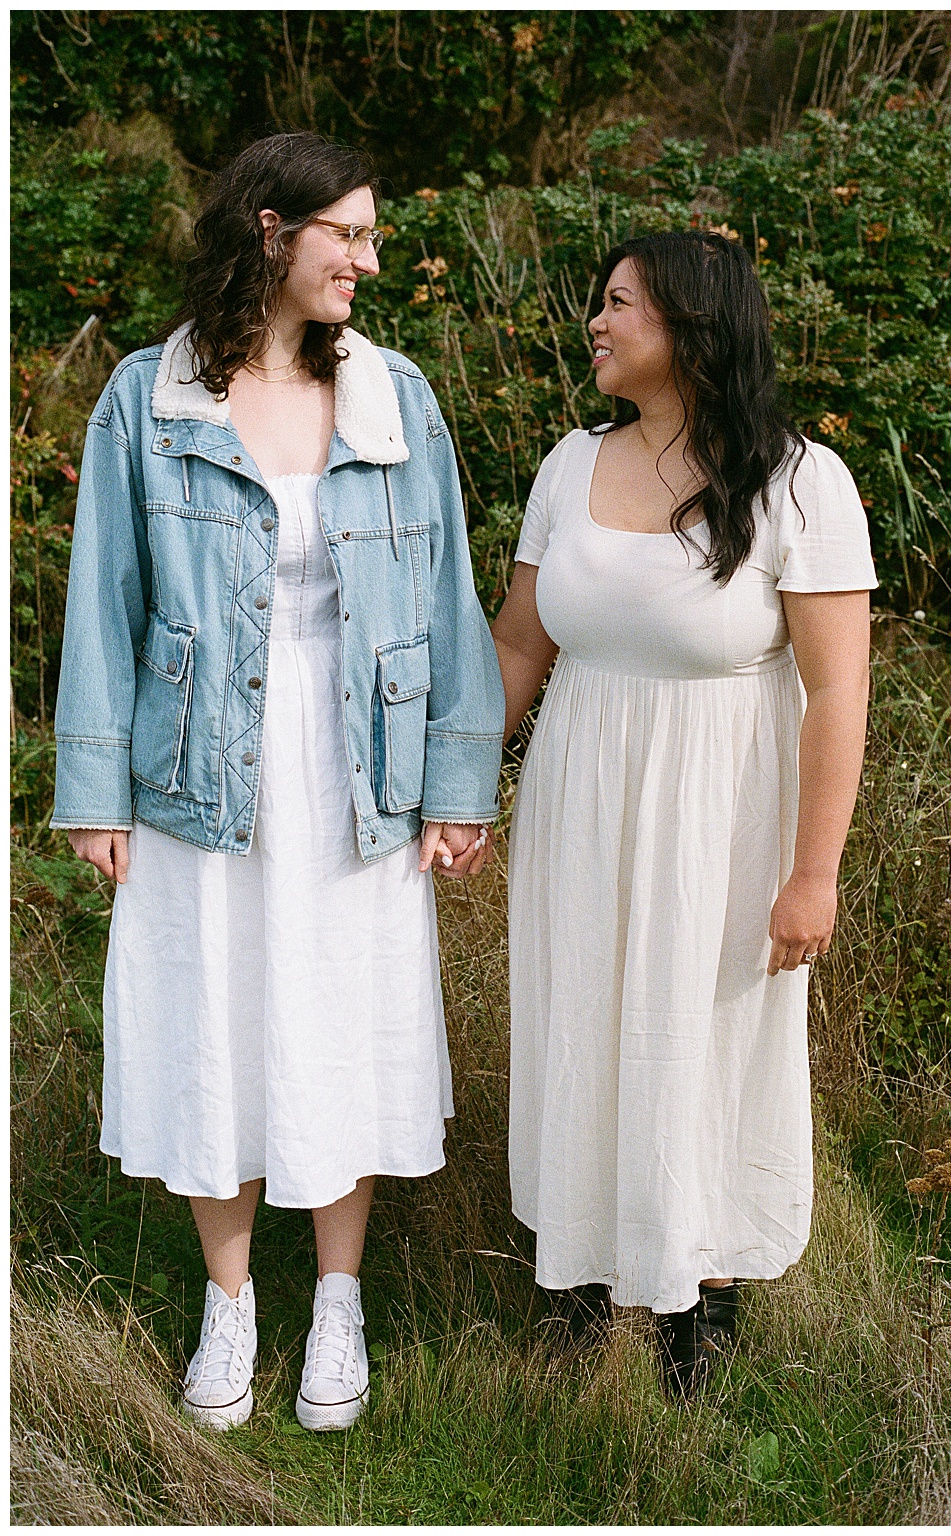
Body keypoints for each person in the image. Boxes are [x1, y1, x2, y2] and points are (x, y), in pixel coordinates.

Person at [50, 133, 504, 1432]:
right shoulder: (153, 396)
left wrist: (456, 782)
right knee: (216, 1030)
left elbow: (446, 596)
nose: (368, 258)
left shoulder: (394, 397)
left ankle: (344, 1302)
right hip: (197, 770)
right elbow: (104, 604)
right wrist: (95, 794)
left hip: (360, 764)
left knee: (344, 1025)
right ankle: (232, 1301)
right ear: (269, 230)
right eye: (347, 234)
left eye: (369, 236)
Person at [489, 230, 875, 1399]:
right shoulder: (570, 465)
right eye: (597, 304)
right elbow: (516, 644)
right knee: (579, 1021)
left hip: (723, 813)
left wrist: (815, 873)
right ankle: (574, 1283)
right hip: (579, 795)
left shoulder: (803, 482)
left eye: (619, 305)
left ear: (693, 325)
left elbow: (838, 688)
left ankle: (693, 1312)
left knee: (699, 1041)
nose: (595, 324)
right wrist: (447, 789)